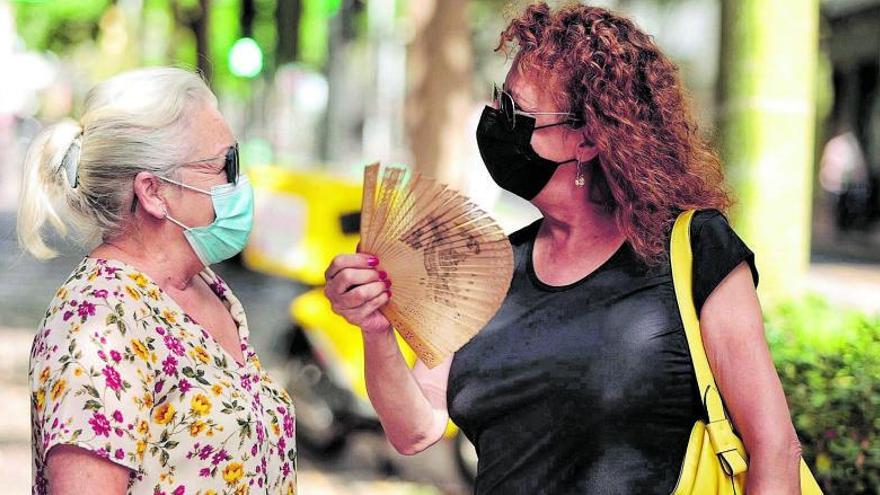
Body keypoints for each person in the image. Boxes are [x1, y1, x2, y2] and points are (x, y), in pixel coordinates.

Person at [324, 3, 803, 494]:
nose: (493, 121)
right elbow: (414, 429)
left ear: (588, 139)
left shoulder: (694, 250)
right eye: (497, 99)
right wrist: (377, 329)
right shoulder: (487, 269)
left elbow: (773, 446)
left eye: (514, 111)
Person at [21, 67, 297, 495]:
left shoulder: (204, 288)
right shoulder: (99, 320)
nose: (240, 182)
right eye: (226, 164)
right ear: (153, 191)